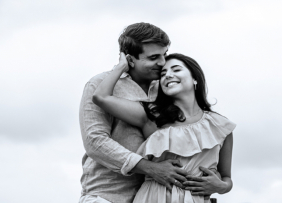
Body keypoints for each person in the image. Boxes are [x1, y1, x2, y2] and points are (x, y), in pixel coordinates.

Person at [93, 53, 235, 202]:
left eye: (176, 70)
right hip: (153, 197)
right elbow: (100, 97)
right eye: (163, 73)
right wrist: (121, 66)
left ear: (195, 78)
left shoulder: (220, 125)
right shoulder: (152, 116)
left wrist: (222, 187)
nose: (168, 75)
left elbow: (226, 177)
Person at [79, 23, 189, 203]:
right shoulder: (99, 84)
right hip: (108, 196)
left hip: (159, 197)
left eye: (164, 55)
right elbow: (95, 141)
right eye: (154, 57)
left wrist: (220, 181)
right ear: (129, 60)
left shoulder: (168, 87)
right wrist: (149, 167)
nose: (162, 63)